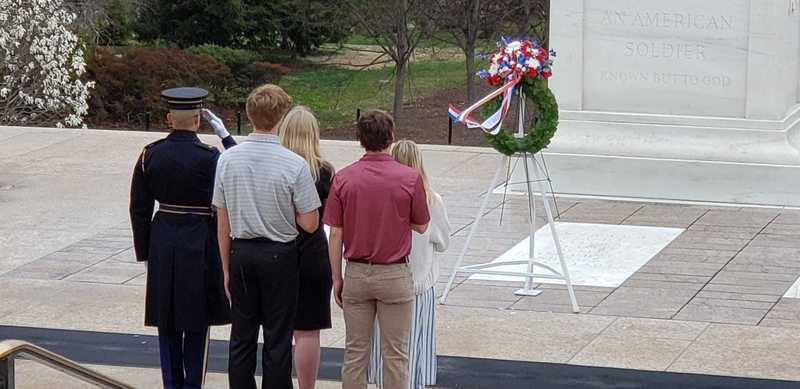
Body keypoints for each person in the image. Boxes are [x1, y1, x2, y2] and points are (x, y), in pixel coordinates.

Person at [213, 84, 321, 389]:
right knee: (277, 338)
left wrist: (224, 266)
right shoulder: (294, 164)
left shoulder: (228, 160)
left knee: (242, 337)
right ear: (282, 117)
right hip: (279, 255)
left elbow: (222, 219)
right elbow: (311, 223)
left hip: (241, 252)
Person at [129, 87, 235, 389]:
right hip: (200, 240)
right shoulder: (210, 157)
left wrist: (145, 251)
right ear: (199, 120)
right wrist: (226, 137)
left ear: (167, 118)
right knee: (197, 321)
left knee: (167, 321)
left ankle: (171, 384)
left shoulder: (151, 154)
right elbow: (239, 168)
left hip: (162, 238)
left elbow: (138, 207)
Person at [323, 110, 431, 389]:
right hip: (394, 273)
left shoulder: (344, 178)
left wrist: (336, 277)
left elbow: (336, 233)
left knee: (355, 354)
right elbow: (421, 225)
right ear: (391, 137)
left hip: (357, 272)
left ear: (360, 139)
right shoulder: (409, 178)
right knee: (395, 355)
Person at [367, 140, 451, 388]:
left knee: (385, 346)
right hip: (418, 286)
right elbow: (443, 241)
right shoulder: (431, 200)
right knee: (413, 350)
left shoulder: (379, 196)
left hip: (384, 278)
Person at [278, 106, 334, 389]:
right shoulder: (324, 172)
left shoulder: (275, 168)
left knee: (277, 332)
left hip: (277, 254)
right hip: (312, 255)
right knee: (308, 333)